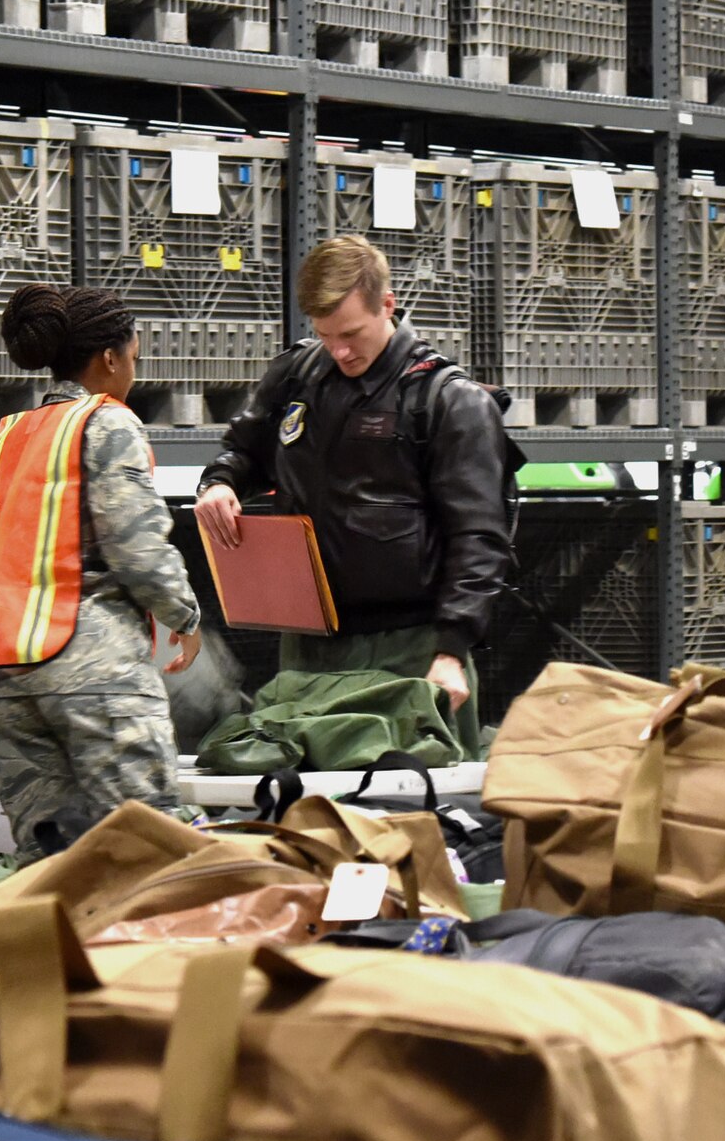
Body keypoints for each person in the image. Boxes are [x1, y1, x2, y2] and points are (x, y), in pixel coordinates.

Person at [194, 235, 513, 757]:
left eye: (351, 333)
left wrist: (452, 651)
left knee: (415, 814)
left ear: (387, 305)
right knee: (309, 813)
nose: (340, 350)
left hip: (410, 649)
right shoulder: (297, 375)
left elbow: (480, 538)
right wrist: (221, 484)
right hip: (308, 649)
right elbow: (242, 451)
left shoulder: (447, 401)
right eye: (324, 336)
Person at [0, 284, 202, 865]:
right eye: (136, 358)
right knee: (148, 854)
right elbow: (136, 546)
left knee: (50, 867)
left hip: (7, 677)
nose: (134, 373)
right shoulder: (107, 422)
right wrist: (184, 615)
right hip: (93, 668)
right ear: (110, 359)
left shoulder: (8, 436)